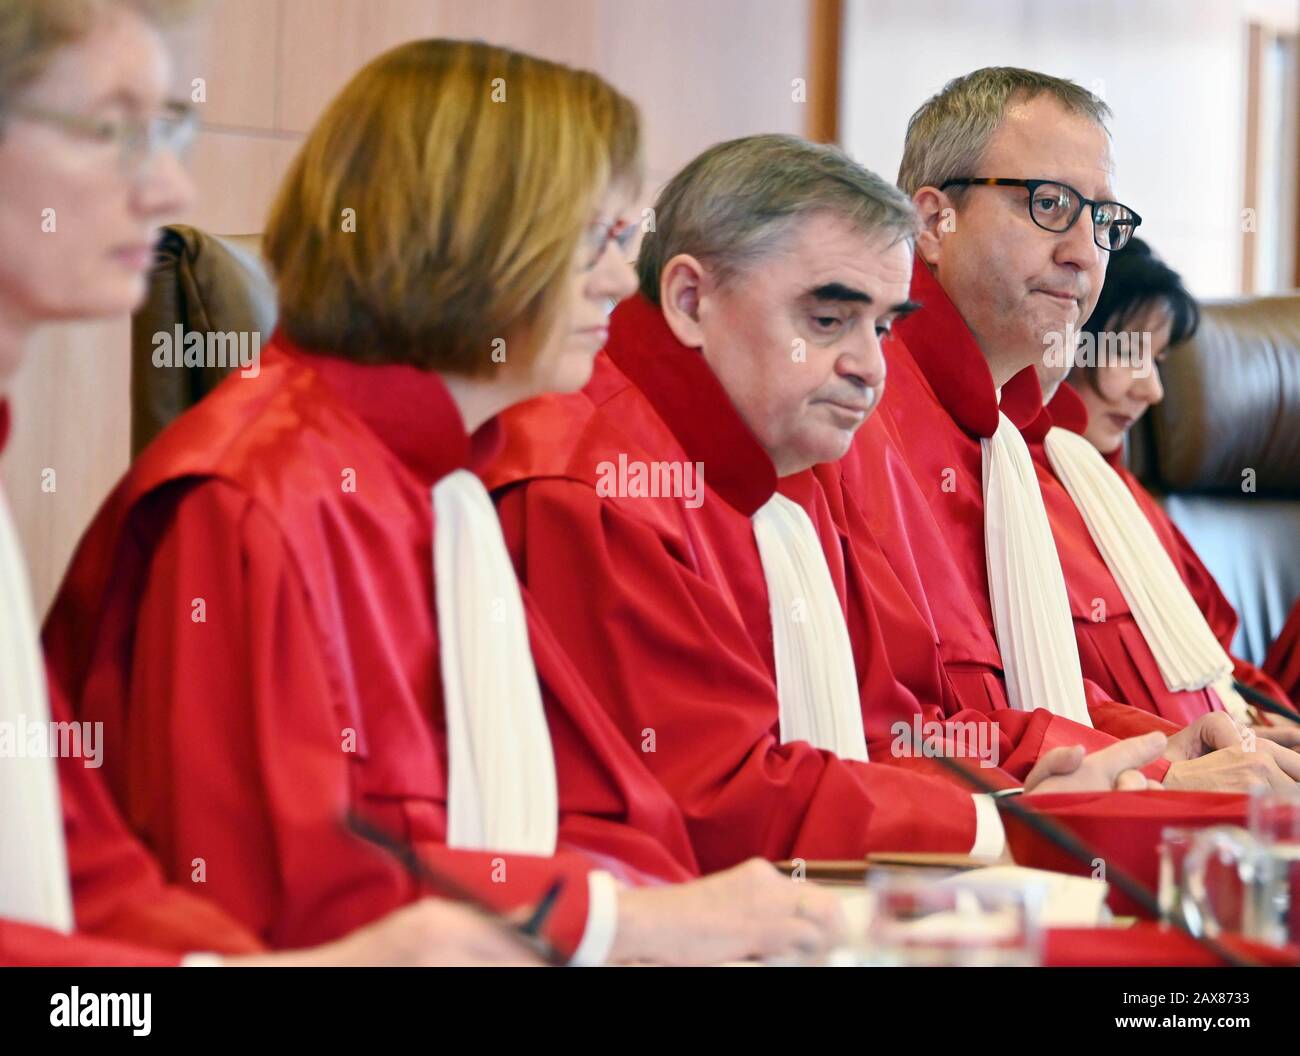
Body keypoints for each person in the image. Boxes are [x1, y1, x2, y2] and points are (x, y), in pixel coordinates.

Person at [40, 35, 846, 966]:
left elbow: (616, 811)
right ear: (467, 235)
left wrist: (659, 915)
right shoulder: (255, 498)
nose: (621, 280)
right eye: (600, 237)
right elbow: (290, 909)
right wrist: (624, 923)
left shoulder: (448, 481)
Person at [0, 0, 554, 967]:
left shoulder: (445, 480)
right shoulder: (251, 496)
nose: (169, 184)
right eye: (111, 131)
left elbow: (95, 881)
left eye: (168, 128)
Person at [482, 132, 1170, 875]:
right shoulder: (593, 484)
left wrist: (1081, 773)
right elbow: (716, 802)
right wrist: (1010, 824)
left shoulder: (794, 465)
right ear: (689, 301)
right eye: (827, 321)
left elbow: (895, 733)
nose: (871, 370)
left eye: (882, 327)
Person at [849, 66, 1298, 790]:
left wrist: (1182, 750)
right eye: (1050, 204)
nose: (1087, 255)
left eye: (1103, 222)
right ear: (934, 222)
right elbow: (893, 732)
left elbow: (1040, 701)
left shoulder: (1005, 437)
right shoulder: (857, 416)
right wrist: (1155, 776)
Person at [1032, 237, 1297, 739]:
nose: (1151, 390)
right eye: (1130, 352)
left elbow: (1221, 665)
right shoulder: (1012, 490)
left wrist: (1269, 727)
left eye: (1158, 360)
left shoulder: (1127, 498)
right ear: (1065, 342)